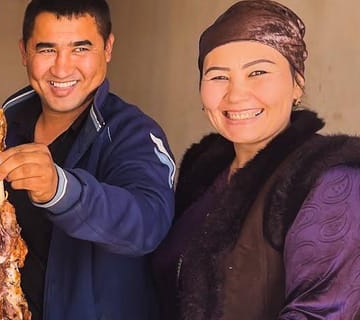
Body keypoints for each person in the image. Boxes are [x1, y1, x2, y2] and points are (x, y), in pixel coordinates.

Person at [150, 1, 360, 318]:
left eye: (258, 72)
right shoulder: (203, 175)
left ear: (297, 84)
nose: (236, 95)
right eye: (218, 77)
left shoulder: (330, 182)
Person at [0, 0, 176, 318]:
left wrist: (61, 190)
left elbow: (147, 223)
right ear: (24, 52)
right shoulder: (5, 126)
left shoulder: (133, 133)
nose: (62, 68)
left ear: (108, 48)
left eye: (80, 49)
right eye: (46, 50)